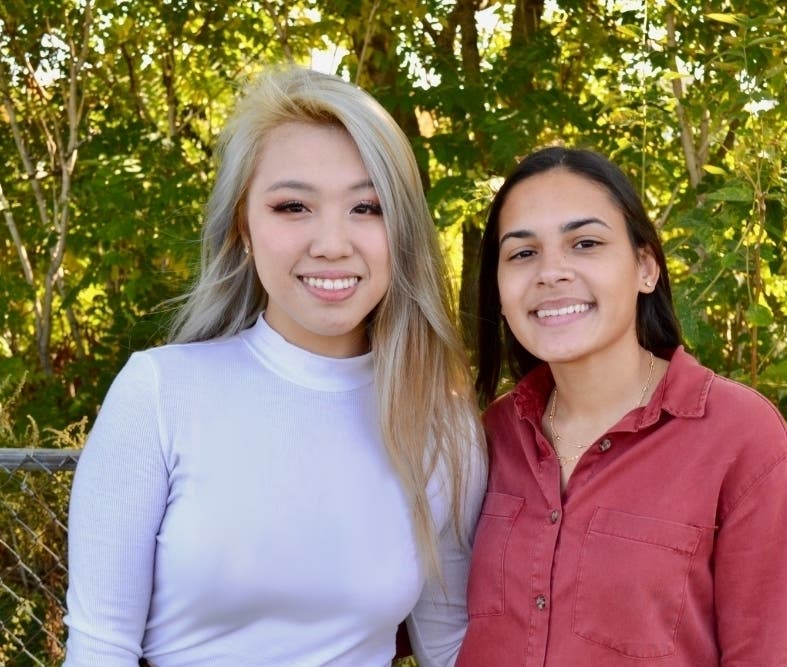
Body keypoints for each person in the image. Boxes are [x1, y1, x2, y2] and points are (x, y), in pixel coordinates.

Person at [63, 64, 485, 667]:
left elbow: (451, 648)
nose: (332, 243)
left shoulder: (442, 425)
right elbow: (100, 648)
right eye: (293, 206)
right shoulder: (159, 394)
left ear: (403, 230)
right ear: (244, 226)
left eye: (367, 207)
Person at [456, 147, 787, 665]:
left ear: (645, 267)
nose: (550, 272)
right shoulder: (487, 436)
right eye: (522, 253)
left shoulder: (744, 439)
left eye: (585, 243)